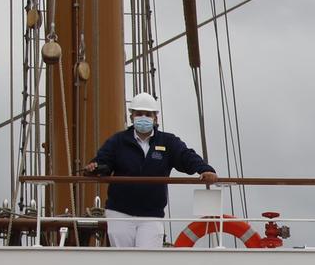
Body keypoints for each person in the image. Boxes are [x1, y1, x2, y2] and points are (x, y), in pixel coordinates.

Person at [82, 92, 216, 247]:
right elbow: (103, 161)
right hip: (120, 212)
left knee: (148, 258)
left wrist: (204, 169)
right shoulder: (118, 141)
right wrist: (94, 167)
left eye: (148, 114)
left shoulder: (168, 142)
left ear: (155, 118)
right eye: (139, 114)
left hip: (151, 214)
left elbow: (186, 156)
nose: (143, 117)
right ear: (132, 117)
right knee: (122, 259)